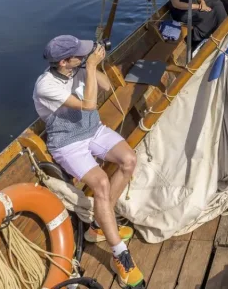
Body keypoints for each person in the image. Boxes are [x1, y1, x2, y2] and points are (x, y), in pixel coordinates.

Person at [33, 36, 145, 288]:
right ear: (63, 62)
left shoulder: (79, 68)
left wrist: (95, 64)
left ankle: (97, 226)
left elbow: (105, 86)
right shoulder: (46, 86)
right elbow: (89, 104)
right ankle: (120, 254)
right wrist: (91, 67)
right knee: (102, 184)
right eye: (79, 55)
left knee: (129, 160)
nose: (84, 56)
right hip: (68, 143)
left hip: (93, 130)